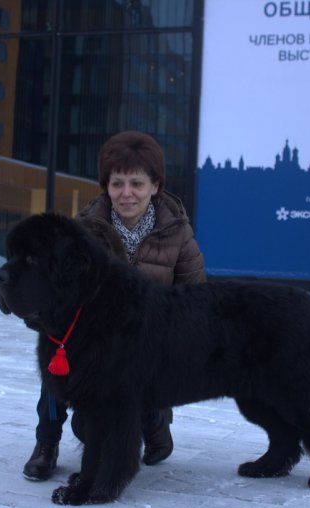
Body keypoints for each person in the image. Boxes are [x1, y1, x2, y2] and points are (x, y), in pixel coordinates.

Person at [23, 130, 206, 481]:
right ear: (105, 186)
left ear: (155, 186)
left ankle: (155, 422)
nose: (126, 194)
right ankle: (46, 444)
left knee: (132, 396)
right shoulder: (79, 231)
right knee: (57, 357)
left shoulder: (179, 234)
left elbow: (195, 301)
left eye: (137, 184)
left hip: (150, 347)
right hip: (91, 343)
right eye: (117, 183)